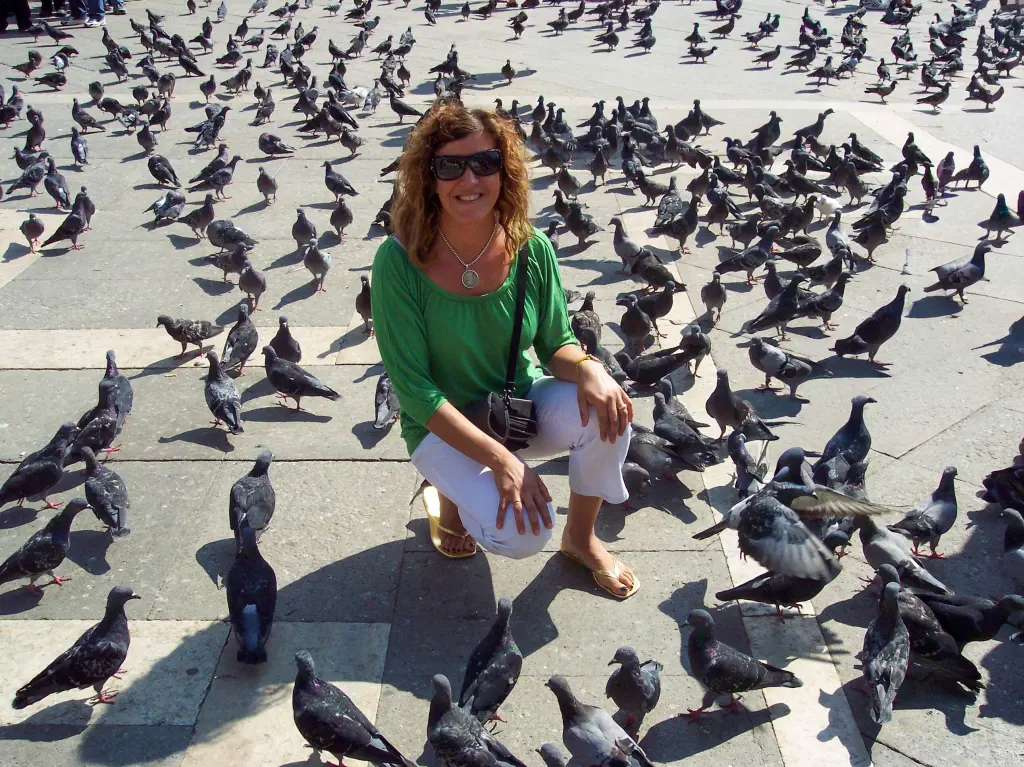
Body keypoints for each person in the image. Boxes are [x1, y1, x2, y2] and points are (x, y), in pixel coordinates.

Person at [371, 100, 638, 599]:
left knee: (611, 410)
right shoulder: (398, 260)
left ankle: (580, 539)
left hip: (513, 408)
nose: (469, 178)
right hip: (438, 427)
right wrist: (502, 462)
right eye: (450, 166)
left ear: (504, 171)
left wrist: (590, 369)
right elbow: (415, 392)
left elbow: (555, 343)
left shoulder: (531, 247)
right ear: (428, 177)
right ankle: (449, 493)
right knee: (523, 535)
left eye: (485, 162)